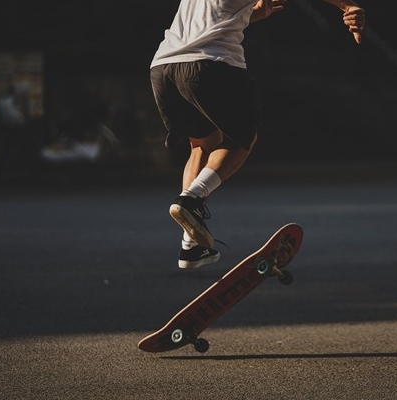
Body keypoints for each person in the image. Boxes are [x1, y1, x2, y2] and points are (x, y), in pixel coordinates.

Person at [150, 0, 365, 269]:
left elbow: (214, 14)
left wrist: (250, 15)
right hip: (211, 63)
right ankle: (190, 200)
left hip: (164, 66)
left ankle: (191, 246)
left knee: (202, 145)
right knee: (241, 139)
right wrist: (348, 7)